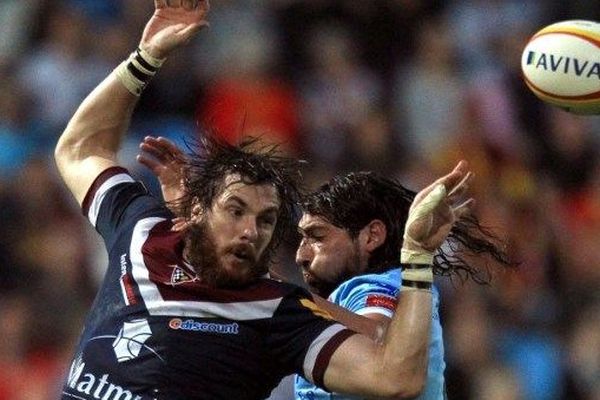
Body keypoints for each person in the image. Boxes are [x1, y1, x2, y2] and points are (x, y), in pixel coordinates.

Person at [55, 1, 475, 399]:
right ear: (197, 209)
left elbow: (394, 379)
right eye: (235, 210)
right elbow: (79, 149)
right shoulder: (143, 233)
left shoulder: (278, 313)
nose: (250, 231)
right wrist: (144, 58)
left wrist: (417, 256)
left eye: (267, 219)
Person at [138, 138, 512, 400]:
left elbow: (377, 337)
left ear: (371, 236)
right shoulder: (397, 288)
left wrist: (271, 296)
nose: (301, 255)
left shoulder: (371, 287)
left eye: (317, 237)